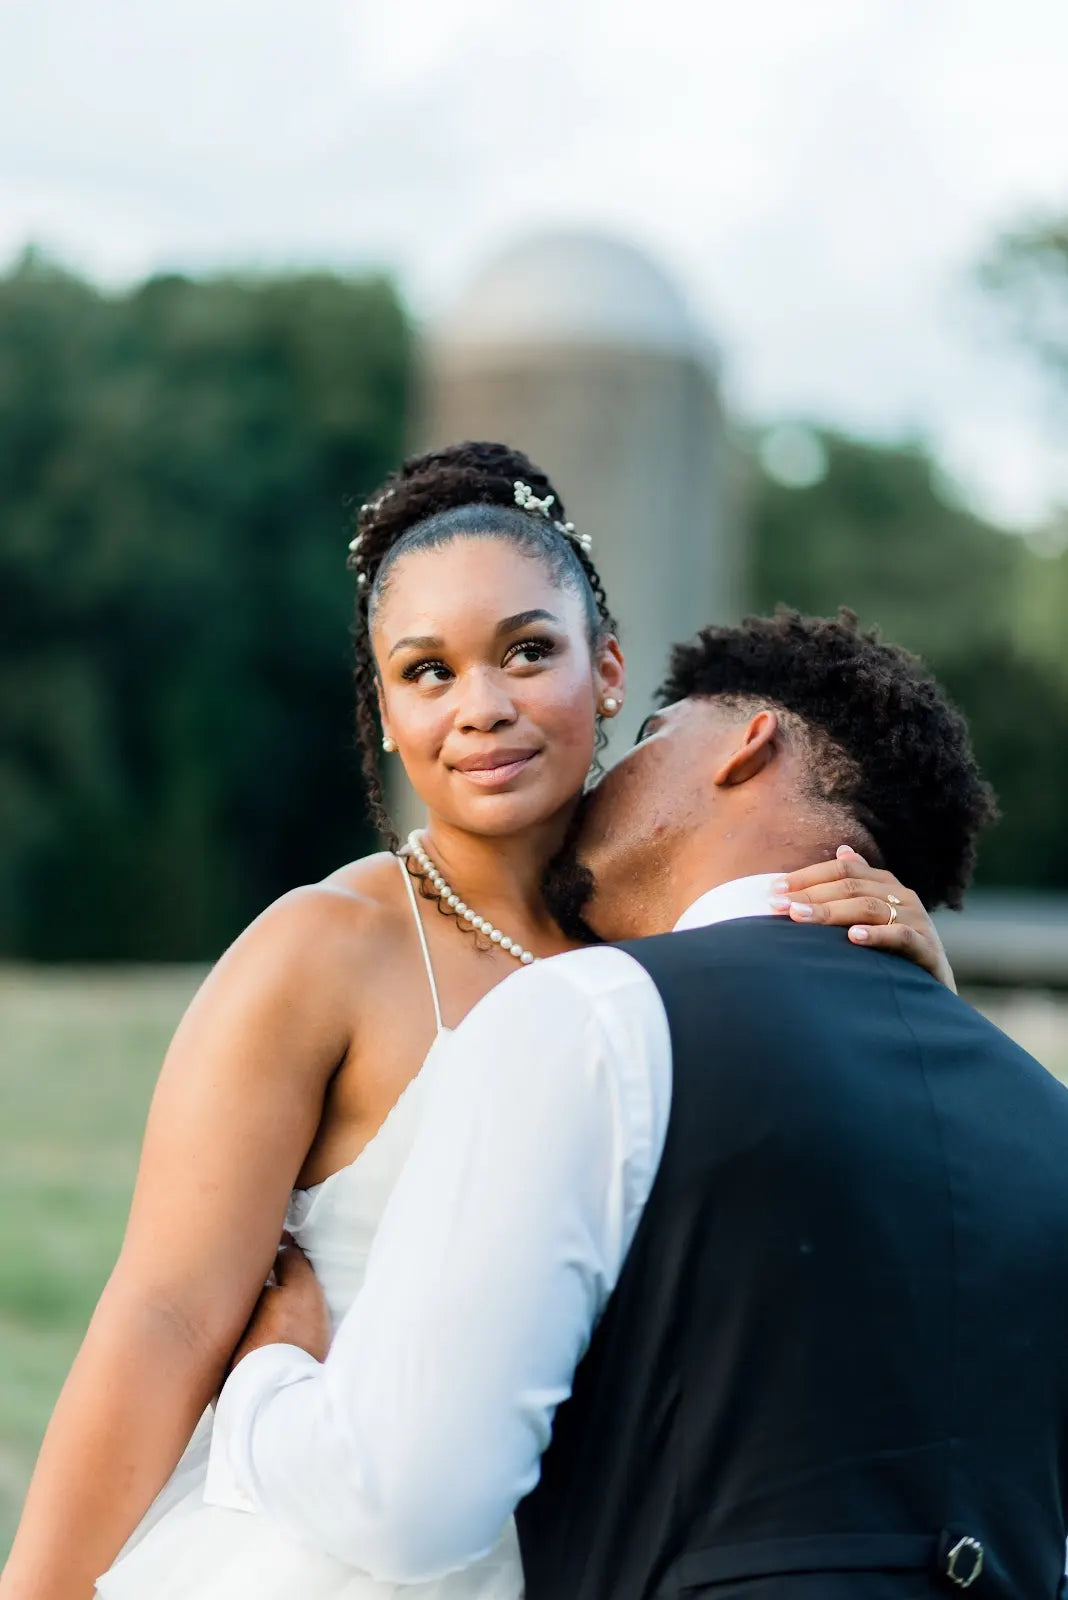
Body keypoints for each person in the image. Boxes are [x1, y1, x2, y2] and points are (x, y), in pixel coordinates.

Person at [0, 446, 950, 1600]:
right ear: (387, 715)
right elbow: (162, 1315)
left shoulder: (682, 967)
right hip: (317, 1559)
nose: (481, 708)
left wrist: (911, 996)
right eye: (426, 672)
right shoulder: (323, 949)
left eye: (526, 651)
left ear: (606, 670)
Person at [194, 610, 1067, 1599]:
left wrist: (268, 1375)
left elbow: (408, 1504)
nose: (597, 782)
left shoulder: (589, 1018)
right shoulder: (1043, 1114)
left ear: (747, 746)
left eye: (650, 735)